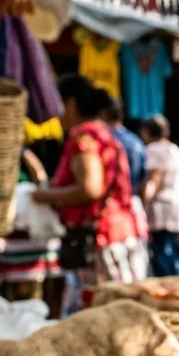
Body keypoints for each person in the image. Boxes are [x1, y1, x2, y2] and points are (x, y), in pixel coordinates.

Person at [33, 74, 143, 312]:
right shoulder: (103, 133)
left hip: (101, 239)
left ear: (70, 104)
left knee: (103, 316)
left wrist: (46, 195)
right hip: (120, 233)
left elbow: (91, 188)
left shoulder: (84, 136)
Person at [141, 115, 179, 278]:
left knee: (161, 254)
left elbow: (154, 181)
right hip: (177, 209)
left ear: (146, 133)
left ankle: (169, 290)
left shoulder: (151, 151)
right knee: (172, 252)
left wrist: (142, 205)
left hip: (159, 210)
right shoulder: (177, 152)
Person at [96, 93, 146, 195]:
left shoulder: (99, 141)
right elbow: (143, 182)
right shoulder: (136, 141)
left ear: (102, 114)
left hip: (109, 203)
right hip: (132, 200)